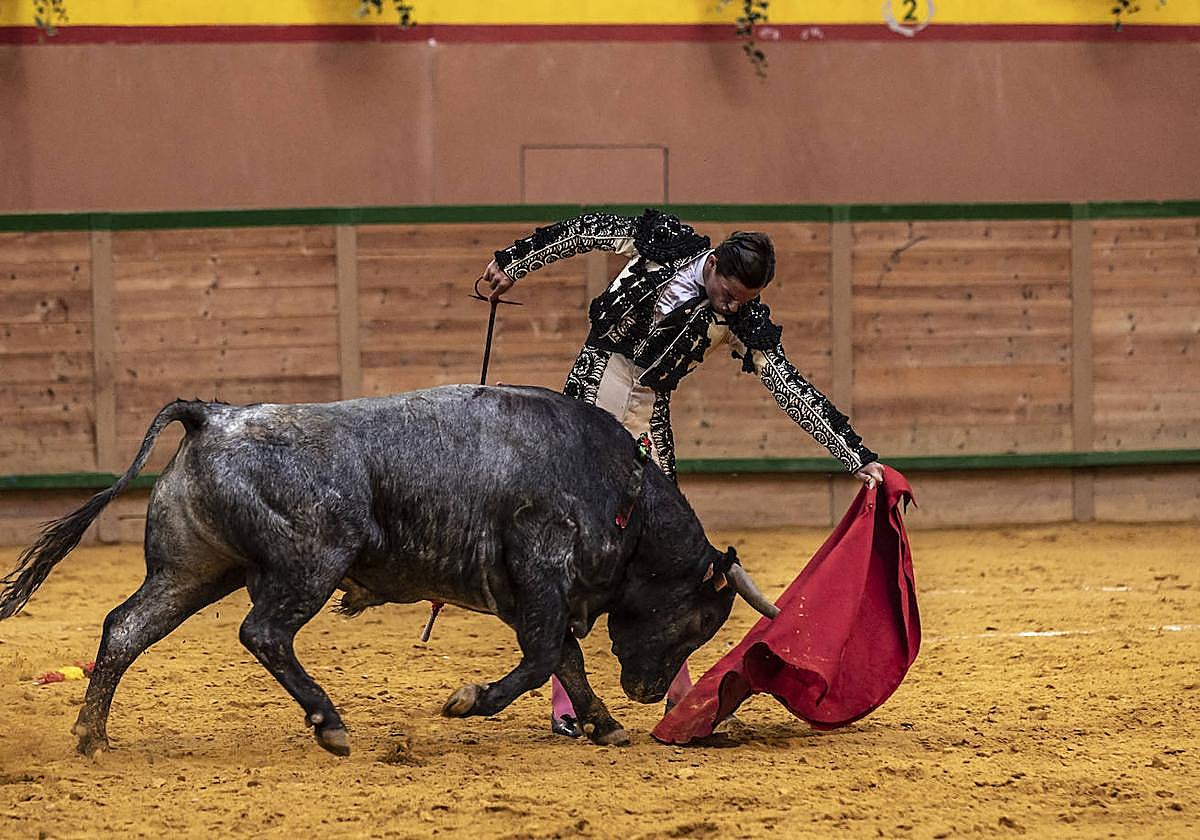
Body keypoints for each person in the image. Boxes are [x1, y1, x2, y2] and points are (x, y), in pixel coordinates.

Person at [480, 208, 885, 737]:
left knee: (668, 550)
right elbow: (581, 232)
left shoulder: (743, 320)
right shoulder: (663, 242)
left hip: (647, 413)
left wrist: (854, 454)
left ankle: (679, 689)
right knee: (572, 547)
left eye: (746, 299)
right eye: (730, 293)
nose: (734, 305)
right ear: (712, 263)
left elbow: (789, 387)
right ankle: (568, 697)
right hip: (589, 396)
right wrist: (515, 262)